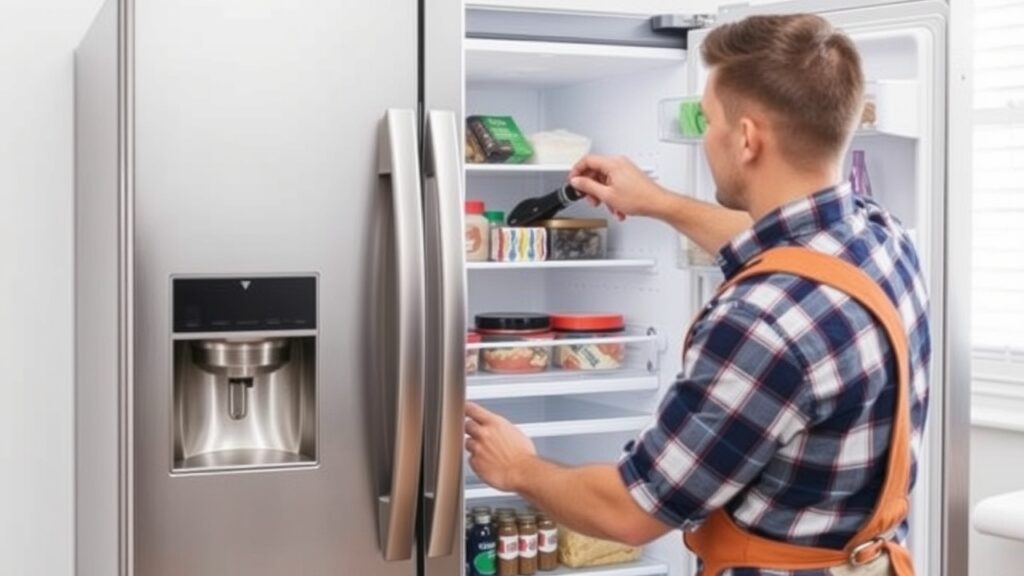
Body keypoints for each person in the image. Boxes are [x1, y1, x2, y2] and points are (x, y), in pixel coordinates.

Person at [464, 13, 930, 576]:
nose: (704, 136)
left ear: (748, 138)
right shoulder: (883, 237)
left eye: (706, 120)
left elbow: (633, 512)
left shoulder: (759, 322)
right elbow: (782, 246)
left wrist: (519, 469)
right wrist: (658, 201)